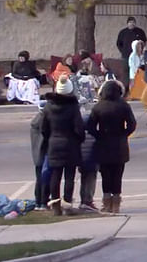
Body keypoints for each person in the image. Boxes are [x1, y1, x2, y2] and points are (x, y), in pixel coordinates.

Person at [87, 80, 136, 214]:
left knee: (106, 175)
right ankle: (116, 203)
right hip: (120, 144)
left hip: (103, 143)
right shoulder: (124, 106)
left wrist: (98, 135)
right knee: (117, 175)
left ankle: (106, 202)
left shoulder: (98, 107)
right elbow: (132, 124)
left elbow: (90, 126)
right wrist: (124, 134)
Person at [42, 75, 85, 216]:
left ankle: (55, 206)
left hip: (54, 143)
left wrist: (50, 139)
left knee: (55, 175)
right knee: (69, 176)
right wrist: (79, 139)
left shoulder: (48, 106)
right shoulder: (73, 106)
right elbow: (79, 128)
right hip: (70, 144)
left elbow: (44, 128)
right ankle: (67, 205)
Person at [116, 17, 147, 87]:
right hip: (126, 56)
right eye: (130, 22)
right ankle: (126, 87)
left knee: (138, 72)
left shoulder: (140, 32)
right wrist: (123, 51)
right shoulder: (123, 32)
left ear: (135, 23)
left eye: (133, 22)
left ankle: (139, 87)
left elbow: (144, 42)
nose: (131, 24)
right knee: (126, 72)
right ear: (127, 24)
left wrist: (141, 51)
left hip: (138, 57)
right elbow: (118, 44)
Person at [78, 110, 99, 212]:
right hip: (92, 161)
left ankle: (83, 200)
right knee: (90, 182)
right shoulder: (94, 135)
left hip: (82, 161)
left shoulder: (79, 136)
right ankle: (87, 201)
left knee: (83, 181)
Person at [30, 109, 49, 210]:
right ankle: (43, 202)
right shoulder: (42, 122)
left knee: (39, 178)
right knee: (45, 178)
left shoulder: (34, 124)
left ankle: (38, 201)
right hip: (44, 155)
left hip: (37, 157)